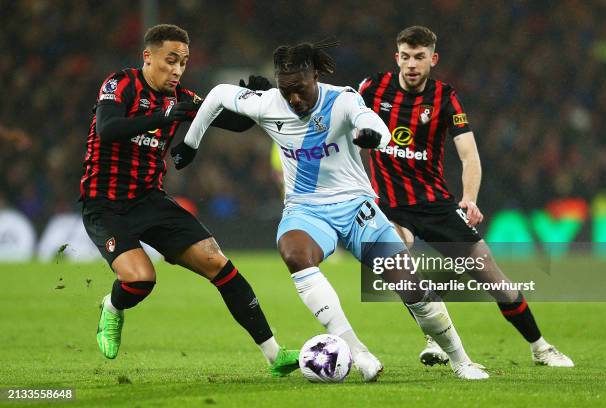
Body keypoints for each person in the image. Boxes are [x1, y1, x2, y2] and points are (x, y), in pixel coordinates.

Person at [172, 39, 489, 380]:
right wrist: (190, 144)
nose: (294, 99)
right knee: (294, 252)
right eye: (286, 89)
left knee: (413, 290)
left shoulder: (343, 99)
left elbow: (372, 122)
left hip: (356, 207)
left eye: (301, 90)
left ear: (316, 77)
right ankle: (358, 352)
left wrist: (374, 136)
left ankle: (461, 359)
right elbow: (219, 94)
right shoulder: (269, 103)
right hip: (306, 210)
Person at [79, 23, 299, 377]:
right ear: (148, 57)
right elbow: (108, 128)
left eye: (183, 62)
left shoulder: (181, 98)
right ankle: (112, 306)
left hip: (151, 200)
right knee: (141, 280)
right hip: (105, 204)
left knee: (219, 264)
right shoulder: (120, 84)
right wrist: (162, 117)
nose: (177, 69)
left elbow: (236, 124)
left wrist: (257, 99)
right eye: (171, 60)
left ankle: (275, 355)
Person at [359, 26, 573, 367]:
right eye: (405, 56)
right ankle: (435, 338)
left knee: (493, 277)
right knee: (399, 263)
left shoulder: (445, 97)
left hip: (436, 204)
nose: (411, 64)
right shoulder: (373, 88)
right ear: (396, 56)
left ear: (433, 58)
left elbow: (469, 154)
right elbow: (340, 122)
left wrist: (469, 198)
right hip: (390, 206)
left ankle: (540, 347)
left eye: (419, 57)